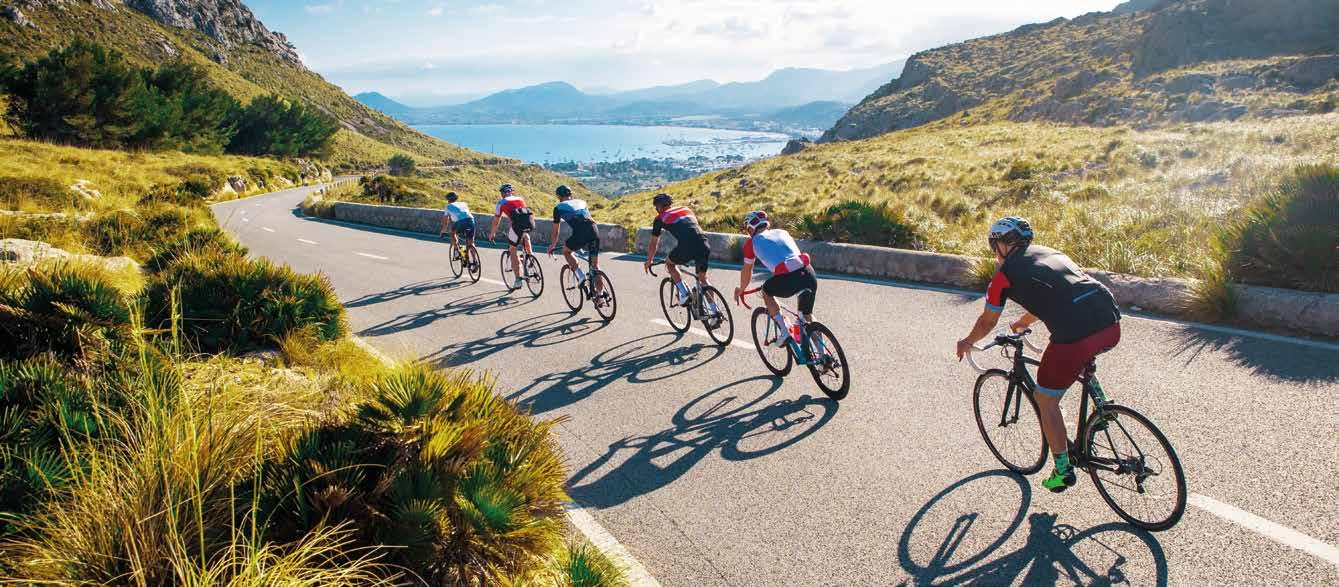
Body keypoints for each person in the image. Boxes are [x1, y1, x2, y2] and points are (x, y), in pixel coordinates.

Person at [955, 216, 1122, 494]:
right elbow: (1059, 292)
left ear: (1000, 245)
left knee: (1045, 398)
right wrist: (1023, 322)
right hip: (1110, 321)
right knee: (1072, 358)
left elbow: (987, 321)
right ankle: (1103, 406)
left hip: (1076, 333)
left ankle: (1062, 471)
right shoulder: (1050, 253)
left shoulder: (1003, 276)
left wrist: (968, 341)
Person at [732, 210, 817, 348]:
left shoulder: (751, 243)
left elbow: (747, 271)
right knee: (807, 317)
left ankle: (784, 331)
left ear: (750, 229)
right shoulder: (782, 232)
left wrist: (741, 289)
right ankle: (823, 354)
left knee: (766, 291)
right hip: (808, 271)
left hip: (788, 277)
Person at [643, 193, 714, 308]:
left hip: (687, 246)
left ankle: (685, 294)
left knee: (670, 263)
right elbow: (689, 228)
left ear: (659, 207)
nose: (656, 210)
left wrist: (649, 260)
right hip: (704, 243)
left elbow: (654, 242)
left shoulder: (659, 218)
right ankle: (715, 311)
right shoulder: (686, 209)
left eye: (656, 207)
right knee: (703, 280)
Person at [545, 185, 606, 301]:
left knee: (566, 251)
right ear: (571, 194)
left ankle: (580, 275)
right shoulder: (582, 202)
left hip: (580, 233)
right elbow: (587, 218)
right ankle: (601, 295)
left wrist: (552, 245)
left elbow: (555, 230)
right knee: (595, 266)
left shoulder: (558, 208)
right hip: (594, 230)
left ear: (559, 197)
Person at [488, 183, 535, 289]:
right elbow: (522, 213)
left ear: (502, 193)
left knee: (512, 250)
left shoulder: (501, 203)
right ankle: (530, 256)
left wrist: (492, 233)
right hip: (530, 224)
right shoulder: (520, 199)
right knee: (525, 236)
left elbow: (496, 220)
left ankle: (518, 280)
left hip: (517, 227)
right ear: (511, 192)